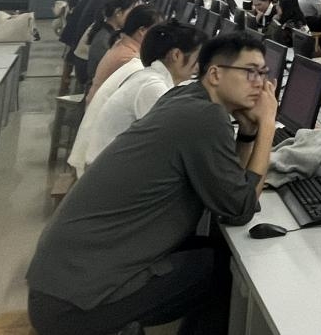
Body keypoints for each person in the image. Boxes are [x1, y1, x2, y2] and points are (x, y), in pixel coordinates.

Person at [27, 31, 276, 335]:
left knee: (216, 246)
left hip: (61, 281)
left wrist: (248, 134)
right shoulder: (204, 117)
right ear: (214, 74)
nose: (260, 83)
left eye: (263, 73)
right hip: (73, 306)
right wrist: (267, 126)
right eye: (250, 72)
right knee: (225, 270)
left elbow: (229, 188)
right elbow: (239, 208)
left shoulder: (184, 96)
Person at [78, 23, 207, 175]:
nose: (199, 66)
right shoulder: (152, 86)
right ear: (176, 55)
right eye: (197, 58)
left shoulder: (150, 77)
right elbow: (169, 141)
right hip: (106, 174)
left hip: (107, 166)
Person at [88, 5, 162, 102]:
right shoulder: (129, 59)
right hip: (100, 107)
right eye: (157, 32)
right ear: (142, 31)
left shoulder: (121, 44)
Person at [81, 0, 140, 86]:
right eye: (132, 12)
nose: (135, 18)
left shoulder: (108, 32)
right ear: (118, 13)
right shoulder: (105, 40)